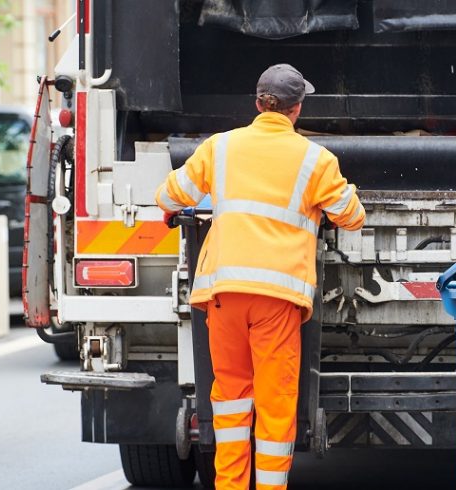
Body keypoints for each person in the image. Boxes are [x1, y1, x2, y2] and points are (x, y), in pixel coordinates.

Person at [154, 63, 365, 490]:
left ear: (257, 103)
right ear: (297, 109)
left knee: (230, 400)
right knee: (275, 405)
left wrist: (174, 205)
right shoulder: (315, 159)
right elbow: (352, 217)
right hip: (277, 297)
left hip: (223, 293)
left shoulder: (221, 147)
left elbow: (169, 195)